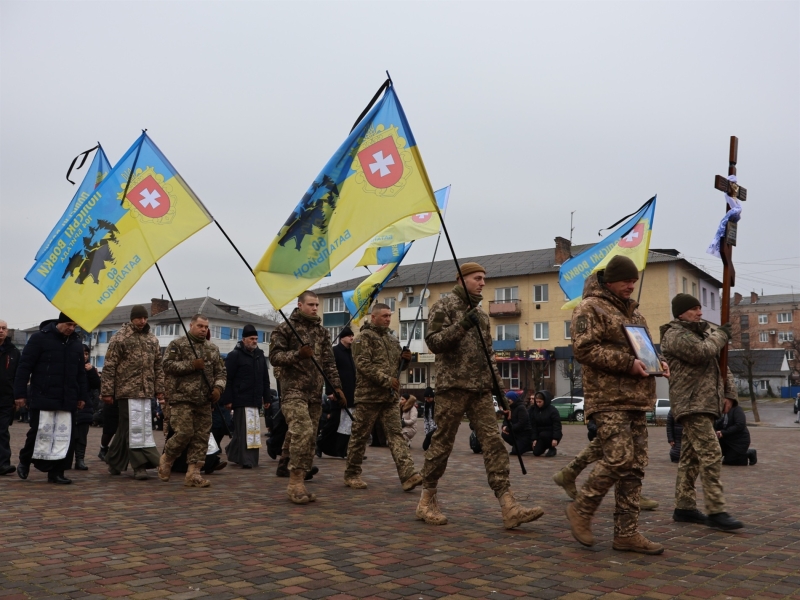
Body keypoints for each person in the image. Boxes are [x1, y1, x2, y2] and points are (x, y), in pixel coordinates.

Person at [418, 262, 543, 529]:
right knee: (442, 444)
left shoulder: (482, 315)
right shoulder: (444, 306)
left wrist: (502, 394)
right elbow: (433, 342)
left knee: (494, 443)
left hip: (481, 390)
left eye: (484, 278)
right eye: (477, 278)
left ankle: (508, 504)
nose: (483, 283)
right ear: (462, 280)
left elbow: (489, 358)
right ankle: (426, 499)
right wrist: (462, 325)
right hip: (452, 388)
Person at [563, 256, 669, 554]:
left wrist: (659, 363)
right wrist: (627, 364)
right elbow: (584, 349)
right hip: (607, 398)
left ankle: (627, 534)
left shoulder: (635, 314)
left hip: (636, 398)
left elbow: (645, 351)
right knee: (619, 458)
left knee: (635, 468)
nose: (631, 286)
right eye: (626, 280)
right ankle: (581, 509)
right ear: (610, 280)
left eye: (634, 281)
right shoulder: (590, 307)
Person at [661, 293, 744, 531]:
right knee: (711, 452)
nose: (700, 312)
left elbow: (721, 365)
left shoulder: (705, 334)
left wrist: (730, 394)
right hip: (691, 403)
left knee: (690, 457)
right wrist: (721, 334)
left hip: (707, 403)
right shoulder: (675, 335)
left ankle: (684, 507)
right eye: (694, 309)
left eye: (700, 307)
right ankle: (716, 510)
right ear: (680, 313)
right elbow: (702, 352)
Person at [269, 291, 345, 504]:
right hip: (293, 391)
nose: (315, 308)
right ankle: (295, 483)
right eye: (310, 304)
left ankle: (292, 469)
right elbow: (274, 357)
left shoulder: (321, 332)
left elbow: (329, 362)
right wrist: (297, 355)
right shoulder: (284, 328)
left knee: (310, 437)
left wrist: (337, 387)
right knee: (302, 430)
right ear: (300, 305)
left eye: (317, 305)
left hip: (315, 393)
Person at [343, 304, 422, 491]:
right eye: (384, 316)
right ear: (374, 317)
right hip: (368, 397)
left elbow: (397, 368)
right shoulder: (363, 339)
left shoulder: (392, 340)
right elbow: (363, 365)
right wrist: (386, 380)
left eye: (389, 315)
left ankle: (408, 474)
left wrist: (406, 361)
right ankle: (352, 473)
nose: (388, 319)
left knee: (396, 435)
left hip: (389, 398)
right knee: (360, 436)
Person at [14, 313, 88, 484]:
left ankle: (57, 472)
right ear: (59, 323)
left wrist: (82, 396)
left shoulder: (76, 344)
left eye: (75, 325)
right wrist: (19, 394)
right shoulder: (39, 339)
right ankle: (25, 461)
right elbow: (24, 367)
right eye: (69, 324)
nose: (71, 328)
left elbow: (80, 373)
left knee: (65, 436)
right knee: (39, 433)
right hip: (43, 395)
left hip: (68, 397)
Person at [158, 314, 226, 488]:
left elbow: (221, 372)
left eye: (206, 327)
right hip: (182, 398)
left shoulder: (212, 348)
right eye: (200, 326)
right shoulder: (178, 345)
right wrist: (191, 365)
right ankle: (167, 458)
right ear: (191, 325)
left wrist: (218, 388)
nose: (203, 329)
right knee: (184, 433)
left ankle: (194, 473)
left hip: (204, 400)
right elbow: (167, 366)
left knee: (201, 438)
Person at [102, 305, 165, 480]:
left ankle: (114, 462)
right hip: (126, 391)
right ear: (132, 319)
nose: (142, 321)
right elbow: (109, 366)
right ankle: (140, 465)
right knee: (135, 427)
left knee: (128, 427)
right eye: (138, 318)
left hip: (146, 392)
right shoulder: (120, 338)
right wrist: (107, 391)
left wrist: (160, 389)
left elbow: (158, 366)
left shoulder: (152, 340)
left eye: (145, 318)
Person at [553, 416, 660, 510]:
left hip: (634, 402)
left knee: (627, 438)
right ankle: (629, 494)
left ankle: (570, 472)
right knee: (615, 438)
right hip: (623, 400)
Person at [223, 324, 270, 469]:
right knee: (245, 432)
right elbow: (228, 379)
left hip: (255, 399)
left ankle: (238, 454)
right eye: (251, 338)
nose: (255, 341)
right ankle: (247, 460)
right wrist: (228, 399)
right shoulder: (234, 356)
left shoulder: (260, 355)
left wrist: (266, 397)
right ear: (244, 339)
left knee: (253, 431)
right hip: (240, 398)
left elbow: (265, 378)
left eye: (256, 338)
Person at [318, 326, 356, 458]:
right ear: (342, 338)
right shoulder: (335, 351)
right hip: (338, 393)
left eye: (352, 335)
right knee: (334, 422)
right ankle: (320, 443)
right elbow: (329, 373)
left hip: (351, 393)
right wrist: (331, 391)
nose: (352, 338)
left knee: (347, 424)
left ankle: (343, 450)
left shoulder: (352, 352)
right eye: (349, 336)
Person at [65, 345, 100, 470]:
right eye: (82, 353)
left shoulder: (90, 369)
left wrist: (91, 372)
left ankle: (80, 459)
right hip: (69, 405)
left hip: (85, 406)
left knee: (82, 435)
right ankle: (65, 460)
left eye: (86, 354)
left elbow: (96, 385)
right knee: (68, 435)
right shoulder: (68, 367)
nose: (84, 356)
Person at [0, 320, 21, 476]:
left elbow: (18, 375)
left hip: (6, 398)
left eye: (4, 328)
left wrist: (18, 395)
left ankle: (3, 463)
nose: (1, 330)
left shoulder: (13, 351)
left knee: (2, 431)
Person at [715, 397, 757, 466]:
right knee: (713, 456)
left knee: (729, 461)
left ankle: (748, 453)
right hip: (725, 440)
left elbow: (740, 425)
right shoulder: (719, 411)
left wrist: (723, 432)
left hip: (739, 441)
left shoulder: (737, 409)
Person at [528, 390, 561, 457]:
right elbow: (534, 426)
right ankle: (544, 446)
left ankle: (552, 448)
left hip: (551, 433)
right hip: (540, 435)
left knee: (544, 435)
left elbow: (557, 425)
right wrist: (534, 439)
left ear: (545, 401)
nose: (538, 404)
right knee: (536, 452)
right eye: (536, 402)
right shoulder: (535, 411)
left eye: (540, 402)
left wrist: (555, 438)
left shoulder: (552, 410)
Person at [500, 391, 532, 455]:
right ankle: (517, 445)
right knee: (504, 434)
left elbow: (521, 423)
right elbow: (506, 420)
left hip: (524, 434)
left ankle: (528, 446)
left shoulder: (521, 408)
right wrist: (504, 426)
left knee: (515, 452)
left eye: (509, 399)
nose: (507, 401)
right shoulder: (509, 408)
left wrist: (508, 428)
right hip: (515, 432)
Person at [421, 387, 436, 451]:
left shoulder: (437, 405)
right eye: (426, 399)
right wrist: (427, 432)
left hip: (436, 428)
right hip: (429, 429)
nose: (427, 400)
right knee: (425, 447)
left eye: (429, 398)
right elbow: (426, 420)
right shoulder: (426, 405)